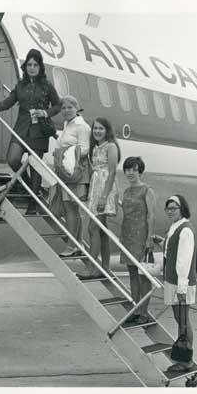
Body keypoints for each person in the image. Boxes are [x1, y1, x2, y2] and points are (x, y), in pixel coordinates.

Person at [0, 48, 61, 215]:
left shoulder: (47, 86)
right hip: (21, 129)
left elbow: (58, 106)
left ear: (40, 67)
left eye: (35, 64)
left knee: (35, 168)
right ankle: (30, 190)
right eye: (29, 64)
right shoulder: (21, 85)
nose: (32, 67)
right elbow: (10, 101)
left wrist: (45, 112)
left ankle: (33, 203)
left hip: (39, 131)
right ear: (25, 66)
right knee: (13, 159)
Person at [155, 194, 197, 372]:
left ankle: (186, 360)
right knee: (180, 319)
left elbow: (184, 261)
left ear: (182, 209)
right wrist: (163, 243)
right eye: (168, 209)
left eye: (174, 208)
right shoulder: (175, 226)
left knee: (183, 320)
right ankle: (184, 358)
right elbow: (173, 250)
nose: (170, 211)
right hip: (172, 279)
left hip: (181, 282)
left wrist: (181, 288)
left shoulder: (185, 230)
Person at [77, 118, 121, 280]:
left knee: (93, 228)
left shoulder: (111, 147)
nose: (97, 131)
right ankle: (105, 267)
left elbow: (112, 172)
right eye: (95, 128)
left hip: (105, 189)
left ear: (107, 130)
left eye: (101, 128)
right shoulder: (95, 147)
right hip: (96, 187)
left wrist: (103, 197)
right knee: (101, 230)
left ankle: (91, 267)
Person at [119, 157, 156, 325]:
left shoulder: (147, 190)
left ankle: (144, 312)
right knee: (132, 274)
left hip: (141, 234)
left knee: (143, 276)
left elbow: (151, 216)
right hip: (127, 234)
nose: (130, 173)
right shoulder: (126, 192)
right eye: (127, 170)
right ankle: (135, 309)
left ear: (140, 171)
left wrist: (149, 238)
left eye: (134, 169)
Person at [56, 95, 91, 257]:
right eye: (63, 108)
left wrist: (67, 152)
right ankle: (76, 243)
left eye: (70, 107)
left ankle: (73, 245)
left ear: (77, 108)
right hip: (66, 170)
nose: (66, 110)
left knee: (73, 209)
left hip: (76, 171)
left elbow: (85, 149)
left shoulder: (82, 126)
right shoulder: (67, 124)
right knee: (70, 209)